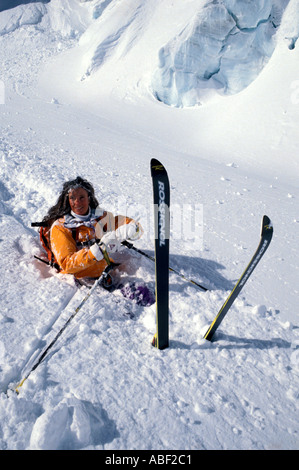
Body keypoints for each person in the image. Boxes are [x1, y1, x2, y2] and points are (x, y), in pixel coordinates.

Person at [42, 176, 143, 280]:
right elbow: (67, 264)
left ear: (89, 198)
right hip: (79, 280)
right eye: (72, 198)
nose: (77, 202)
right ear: (67, 200)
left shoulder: (98, 217)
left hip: (105, 274)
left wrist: (132, 228)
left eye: (82, 197)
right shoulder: (61, 227)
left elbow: (123, 223)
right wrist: (97, 251)